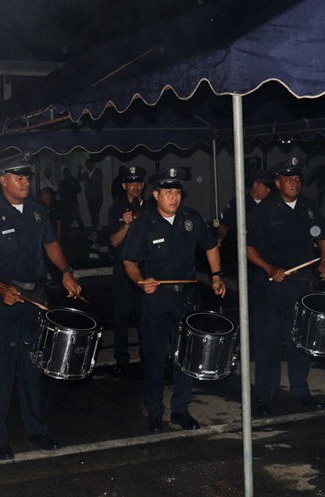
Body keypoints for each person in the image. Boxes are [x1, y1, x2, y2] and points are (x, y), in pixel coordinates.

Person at [0, 154, 82, 461]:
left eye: (26, 177)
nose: (24, 182)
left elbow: (51, 244)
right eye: (17, 177)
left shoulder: (36, 211)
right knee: (2, 369)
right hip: (3, 300)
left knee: (33, 366)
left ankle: (35, 430)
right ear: (2, 180)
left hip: (35, 299)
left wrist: (66, 272)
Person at [121, 167, 226, 434]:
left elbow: (211, 245)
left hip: (186, 299)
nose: (174, 197)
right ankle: (155, 413)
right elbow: (129, 261)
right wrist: (141, 281)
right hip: (156, 299)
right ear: (156, 195)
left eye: (177, 192)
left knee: (185, 357)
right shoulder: (144, 224)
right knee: (155, 359)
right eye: (168, 192)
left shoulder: (191, 219)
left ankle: (181, 410)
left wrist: (216, 275)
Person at [246, 159, 325, 416]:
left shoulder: (308, 207)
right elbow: (247, 247)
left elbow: (322, 236)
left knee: (300, 341)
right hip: (271, 287)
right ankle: (264, 395)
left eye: (297, 179)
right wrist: (269, 268)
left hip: (302, 285)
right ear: (277, 182)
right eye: (289, 179)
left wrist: (323, 263)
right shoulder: (263, 210)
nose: (294, 183)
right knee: (268, 343)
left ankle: (300, 393)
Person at [107, 166, 147, 375]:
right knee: (121, 316)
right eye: (131, 183)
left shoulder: (152, 208)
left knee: (145, 317)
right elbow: (114, 242)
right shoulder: (116, 210)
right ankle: (121, 359)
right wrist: (126, 225)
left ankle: (146, 357)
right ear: (124, 186)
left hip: (145, 269)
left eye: (138, 182)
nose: (135, 187)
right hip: (123, 271)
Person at [78, 159, 104, 238]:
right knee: (93, 214)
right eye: (86, 164)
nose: (86, 166)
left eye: (88, 164)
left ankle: (94, 231)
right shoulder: (87, 173)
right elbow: (80, 178)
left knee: (94, 214)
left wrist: (87, 178)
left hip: (97, 197)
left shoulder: (98, 172)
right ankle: (96, 228)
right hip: (89, 198)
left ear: (92, 164)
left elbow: (93, 183)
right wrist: (79, 170)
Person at [58, 167, 84, 233]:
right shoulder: (62, 183)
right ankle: (67, 232)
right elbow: (61, 194)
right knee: (67, 218)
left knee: (78, 216)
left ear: (69, 173)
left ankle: (82, 231)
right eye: (64, 173)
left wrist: (74, 185)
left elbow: (79, 190)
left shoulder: (74, 180)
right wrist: (63, 203)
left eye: (66, 173)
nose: (65, 174)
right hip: (66, 203)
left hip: (74, 202)